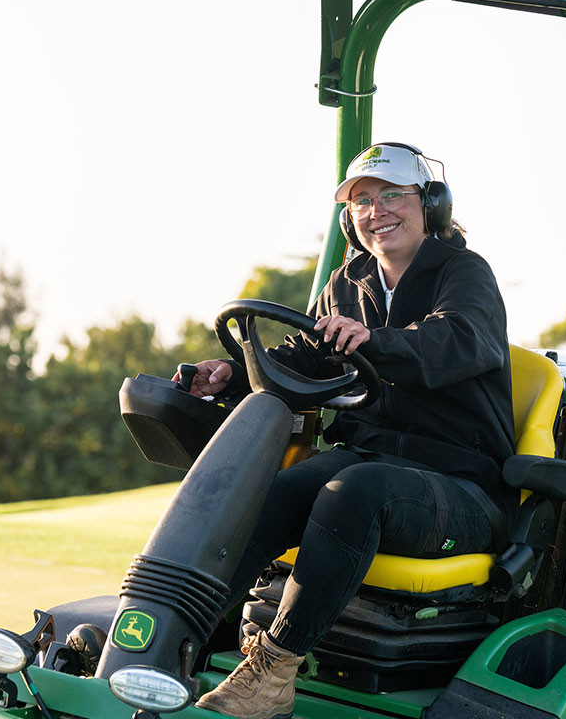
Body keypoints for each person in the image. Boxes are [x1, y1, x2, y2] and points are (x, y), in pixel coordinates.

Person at [179, 142, 514, 719]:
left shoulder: (464, 274)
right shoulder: (349, 279)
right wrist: (230, 374)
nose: (375, 211)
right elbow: (306, 356)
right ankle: (181, 635)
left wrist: (372, 342)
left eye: (392, 196)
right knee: (273, 490)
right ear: (347, 219)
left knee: (354, 492)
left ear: (430, 205)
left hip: (460, 482)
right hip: (370, 457)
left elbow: (459, 340)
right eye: (361, 202)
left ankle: (272, 674)